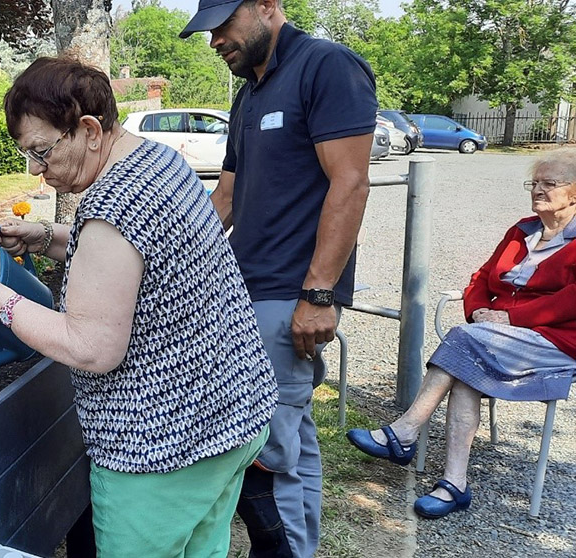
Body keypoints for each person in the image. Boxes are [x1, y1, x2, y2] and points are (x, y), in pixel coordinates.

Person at [0, 56, 277, 557]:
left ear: (89, 129)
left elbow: (92, 347)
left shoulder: (112, 206)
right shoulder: (157, 160)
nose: (36, 171)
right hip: (232, 415)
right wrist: (44, 236)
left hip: (163, 451)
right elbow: (132, 258)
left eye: (42, 152)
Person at [180, 0, 377, 555]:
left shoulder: (326, 67)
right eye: (208, 30)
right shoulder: (249, 94)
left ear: (267, 6)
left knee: (267, 457)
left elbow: (351, 184)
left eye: (223, 26)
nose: (215, 40)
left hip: (290, 293)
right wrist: (158, 251)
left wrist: (318, 294)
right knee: (291, 442)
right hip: (245, 288)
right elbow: (224, 197)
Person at [347, 149, 576, 519]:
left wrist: (508, 318)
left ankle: (405, 432)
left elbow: (571, 301)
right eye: (534, 183)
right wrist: (480, 310)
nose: (538, 190)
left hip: (556, 343)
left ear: (575, 193)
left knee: (465, 340)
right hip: (496, 337)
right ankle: (454, 484)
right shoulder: (523, 230)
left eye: (550, 184)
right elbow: (481, 278)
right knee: (467, 366)